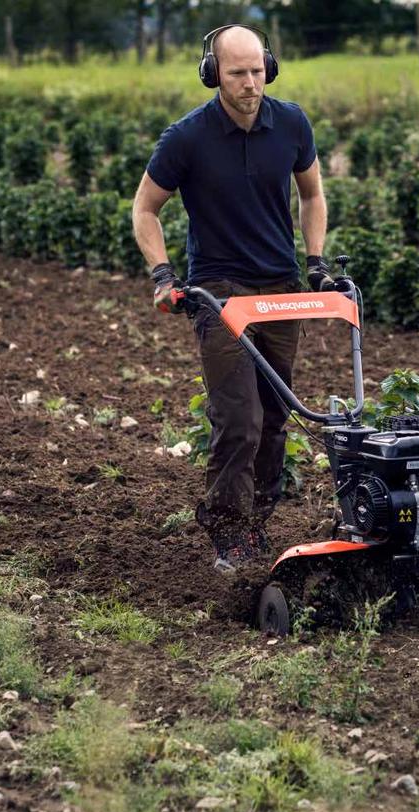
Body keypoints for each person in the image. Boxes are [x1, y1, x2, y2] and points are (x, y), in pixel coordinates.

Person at [131, 24, 334, 574]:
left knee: (274, 417)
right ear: (212, 73)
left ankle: (257, 524)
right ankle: (227, 532)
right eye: (237, 73)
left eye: (257, 70)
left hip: (281, 289)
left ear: (269, 65)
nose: (250, 83)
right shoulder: (186, 138)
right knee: (238, 419)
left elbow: (312, 193)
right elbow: (145, 209)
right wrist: (162, 276)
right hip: (218, 292)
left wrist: (315, 264)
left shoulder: (290, 122)